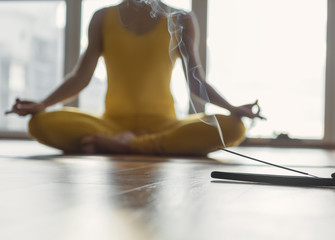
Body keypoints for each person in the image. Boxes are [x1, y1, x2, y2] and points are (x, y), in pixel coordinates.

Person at [6, 0, 264, 155]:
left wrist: (231, 108)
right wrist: (43, 104)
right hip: (110, 126)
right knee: (39, 124)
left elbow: (195, 81)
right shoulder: (102, 18)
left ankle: (128, 145)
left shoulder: (182, 18)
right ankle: (143, 145)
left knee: (233, 127)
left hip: (165, 126)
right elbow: (81, 77)